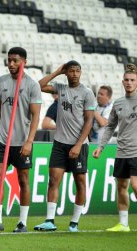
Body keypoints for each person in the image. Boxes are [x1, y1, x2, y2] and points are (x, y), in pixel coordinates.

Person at [34, 60, 96, 232]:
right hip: (60, 144)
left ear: (81, 73)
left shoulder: (87, 93)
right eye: (71, 71)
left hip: (79, 145)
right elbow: (39, 85)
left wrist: (77, 145)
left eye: (77, 71)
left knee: (80, 183)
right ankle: (49, 221)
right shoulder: (60, 89)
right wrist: (56, 72)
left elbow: (89, 120)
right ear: (66, 73)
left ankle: (74, 222)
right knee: (53, 181)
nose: (75, 74)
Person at [92, 64, 137, 233]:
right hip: (121, 152)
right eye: (126, 80)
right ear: (122, 82)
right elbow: (110, 126)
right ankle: (124, 224)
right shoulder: (118, 103)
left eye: (132, 80)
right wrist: (101, 147)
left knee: (136, 185)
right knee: (121, 187)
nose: (129, 83)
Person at [0, 47, 42, 233]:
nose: (11, 64)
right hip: (3, 139)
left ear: (23, 62)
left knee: (23, 180)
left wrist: (29, 142)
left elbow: (35, 116)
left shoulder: (32, 85)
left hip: (22, 141)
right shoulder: (1, 81)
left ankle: (22, 222)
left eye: (15, 60)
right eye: (9, 60)